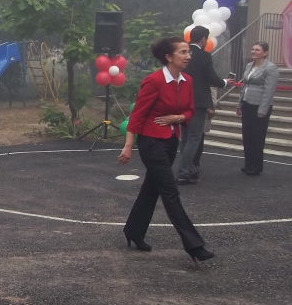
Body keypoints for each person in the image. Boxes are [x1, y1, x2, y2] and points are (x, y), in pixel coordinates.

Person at [118, 37, 214, 263]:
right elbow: (138, 116)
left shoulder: (187, 80)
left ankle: (133, 231)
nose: (188, 56)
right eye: (183, 52)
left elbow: (190, 111)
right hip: (151, 142)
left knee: (151, 189)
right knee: (170, 192)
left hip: (171, 140)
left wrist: (177, 117)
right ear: (169, 57)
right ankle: (194, 245)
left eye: (188, 52)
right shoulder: (153, 81)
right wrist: (129, 145)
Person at [175, 26, 232, 185]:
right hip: (198, 102)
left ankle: (187, 168)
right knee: (194, 138)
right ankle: (184, 171)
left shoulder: (181, 54)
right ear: (203, 39)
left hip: (182, 100)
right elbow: (212, 78)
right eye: (206, 39)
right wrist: (225, 82)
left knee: (186, 137)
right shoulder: (204, 56)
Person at [237, 41, 279, 176]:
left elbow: (269, 90)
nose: (254, 52)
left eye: (257, 50)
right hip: (247, 103)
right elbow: (244, 85)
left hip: (259, 105)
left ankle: (256, 166)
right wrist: (240, 104)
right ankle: (248, 163)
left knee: (257, 136)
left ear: (265, 53)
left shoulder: (270, 68)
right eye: (253, 49)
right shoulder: (249, 65)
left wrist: (263, 109)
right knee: (247, 135)